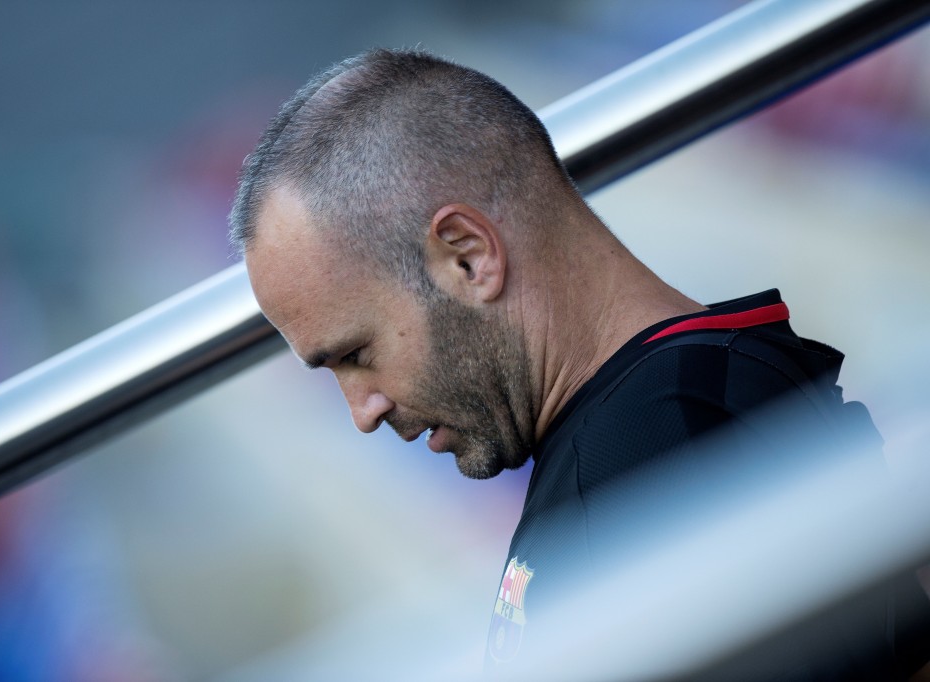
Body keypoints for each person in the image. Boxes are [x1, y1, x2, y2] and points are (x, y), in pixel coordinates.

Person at [228, 48, 930, 679]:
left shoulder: (663, 454)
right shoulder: (663, 417)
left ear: (468, 257)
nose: (363, 412)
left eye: (357, 355)